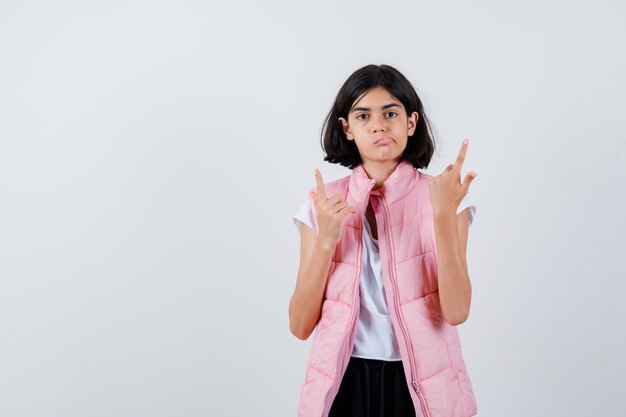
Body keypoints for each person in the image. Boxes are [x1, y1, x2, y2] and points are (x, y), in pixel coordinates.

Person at [289, 64, 478, 417]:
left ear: (411, 123)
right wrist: (327, 241)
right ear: (346, 128)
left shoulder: (445, 197)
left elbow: (457, 311)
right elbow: (300, 326)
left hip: (421, 384)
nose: (378, 125)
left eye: (390, 113)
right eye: (363, 115)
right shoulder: (323, 204)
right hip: (344, 382)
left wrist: (440, 215)